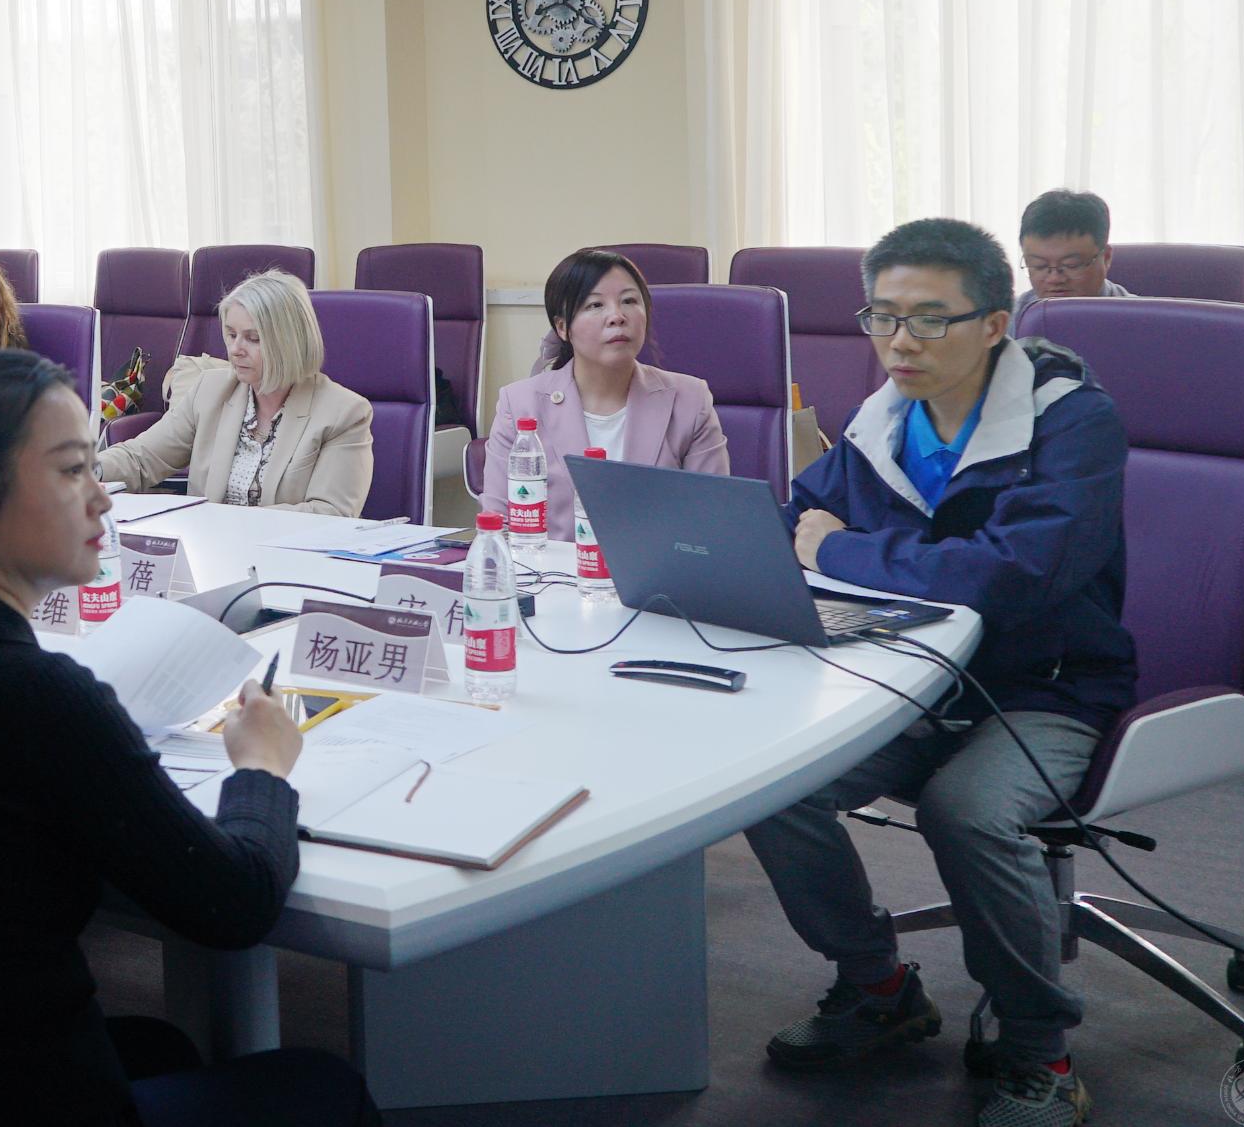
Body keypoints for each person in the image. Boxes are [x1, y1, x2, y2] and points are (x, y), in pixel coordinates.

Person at [0, 349, 380, 1127]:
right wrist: (262, 769)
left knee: (159, 1046)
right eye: (72, 471)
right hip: (6, 1102)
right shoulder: (38, 694)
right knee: (325, 1086)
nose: (102, 498)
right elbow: (234, 904)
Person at [744, 218, 1133, 1127]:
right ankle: (877, 984)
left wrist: (845, 550)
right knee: (770, 784)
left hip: (1043, 684)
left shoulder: (1072, 421)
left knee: (966, 810)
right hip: (909, 675)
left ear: (994, 324)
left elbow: (1016, 574)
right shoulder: (884, 416)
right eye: (881, 317)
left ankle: (1039, 1050)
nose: (900, 342)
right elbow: (797, 519)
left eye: (928, 318)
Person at [483, 250, 728, 535]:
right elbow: (497, 524)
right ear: (562, 327)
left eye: (629, 301)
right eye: (595, 305)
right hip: (548, 563)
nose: (617, 316)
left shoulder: (690, 400)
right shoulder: (519, 404)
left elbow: (711, 519)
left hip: (656, 564)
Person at [96, 270, 372, 515]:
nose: (235, 349)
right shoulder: (209, 389)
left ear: (291, 343)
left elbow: (331, 512)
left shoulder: (344, 413)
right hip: (209, 550)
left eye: (253, 338)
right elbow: (141, 458)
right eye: (231, 334)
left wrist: (227, 523)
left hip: (284, 554)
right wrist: (86, 471)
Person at [1015, 189, 1133, 309]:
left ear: (1106, 258)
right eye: (1039, 266)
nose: (1054, 279)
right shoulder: (1012, 316)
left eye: (1071, 265)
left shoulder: (1138, 316)